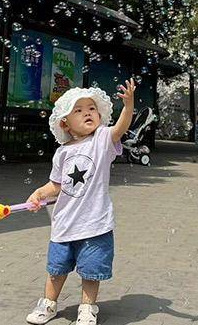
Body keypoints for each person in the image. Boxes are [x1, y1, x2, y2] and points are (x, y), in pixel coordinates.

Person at [24, 80, 135, 325]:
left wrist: (128, 105)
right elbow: (56, 185)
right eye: (79, 110)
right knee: (56, 269)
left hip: (95, 223)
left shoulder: (102, 140)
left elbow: (120, 128)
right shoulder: (62, 152)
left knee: (91, 270)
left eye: (92, 108)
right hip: (64, 222)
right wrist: (39, 195)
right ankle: (49, 304)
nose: (87, 112)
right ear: (65, 122)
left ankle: (87, 308)